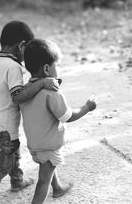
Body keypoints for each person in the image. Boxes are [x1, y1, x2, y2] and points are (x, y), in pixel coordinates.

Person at [0, 21, 60, 204]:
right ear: (22, 46)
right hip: (6, 125)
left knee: (11, 151)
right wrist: (41, 83)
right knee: (2, 164)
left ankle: (17, 181)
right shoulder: (14, 67)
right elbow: (18, 96)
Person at [20, 39, 97, 204]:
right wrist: (86, 108)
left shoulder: (26, 90)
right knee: (43, 181)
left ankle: (58, 188)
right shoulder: (52, 93)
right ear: (47, 69)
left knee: (48, 167)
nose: (59, 69)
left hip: (35, 144)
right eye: (58, 65)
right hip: (48, 145)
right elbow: (67, 116)